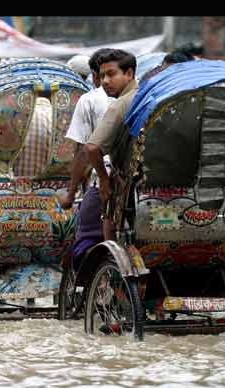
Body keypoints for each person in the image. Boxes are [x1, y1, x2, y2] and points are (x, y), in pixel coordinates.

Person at [59, 50, 116, 269]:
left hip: (103, 178)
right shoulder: (138, 95)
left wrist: (71, 193)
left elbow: (83, 152)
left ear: (95, 75)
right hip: (134, 182)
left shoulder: (90, 100)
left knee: (86, 236)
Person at [83, 49, 138, 240]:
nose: (105, 81)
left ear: (129, 73)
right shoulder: (147, 95)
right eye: (102, 76)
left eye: (111, 74)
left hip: (128, 187)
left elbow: (92, 147)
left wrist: (104, 180)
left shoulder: (121, 104)